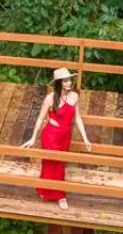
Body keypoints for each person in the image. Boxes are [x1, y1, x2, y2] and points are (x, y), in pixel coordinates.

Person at [21, 67, 92, 207]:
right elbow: (40, 118)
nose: (69, 83)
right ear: (59, 83)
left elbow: (77, 118)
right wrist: (33, 138)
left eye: (69, 80)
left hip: (65, 136)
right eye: (65, 81)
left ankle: (47, 189)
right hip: (51, 135)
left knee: (61, 163)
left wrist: (85, 138)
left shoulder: (74, 96)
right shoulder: (50, 98)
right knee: (52, 163)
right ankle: (60, 196)